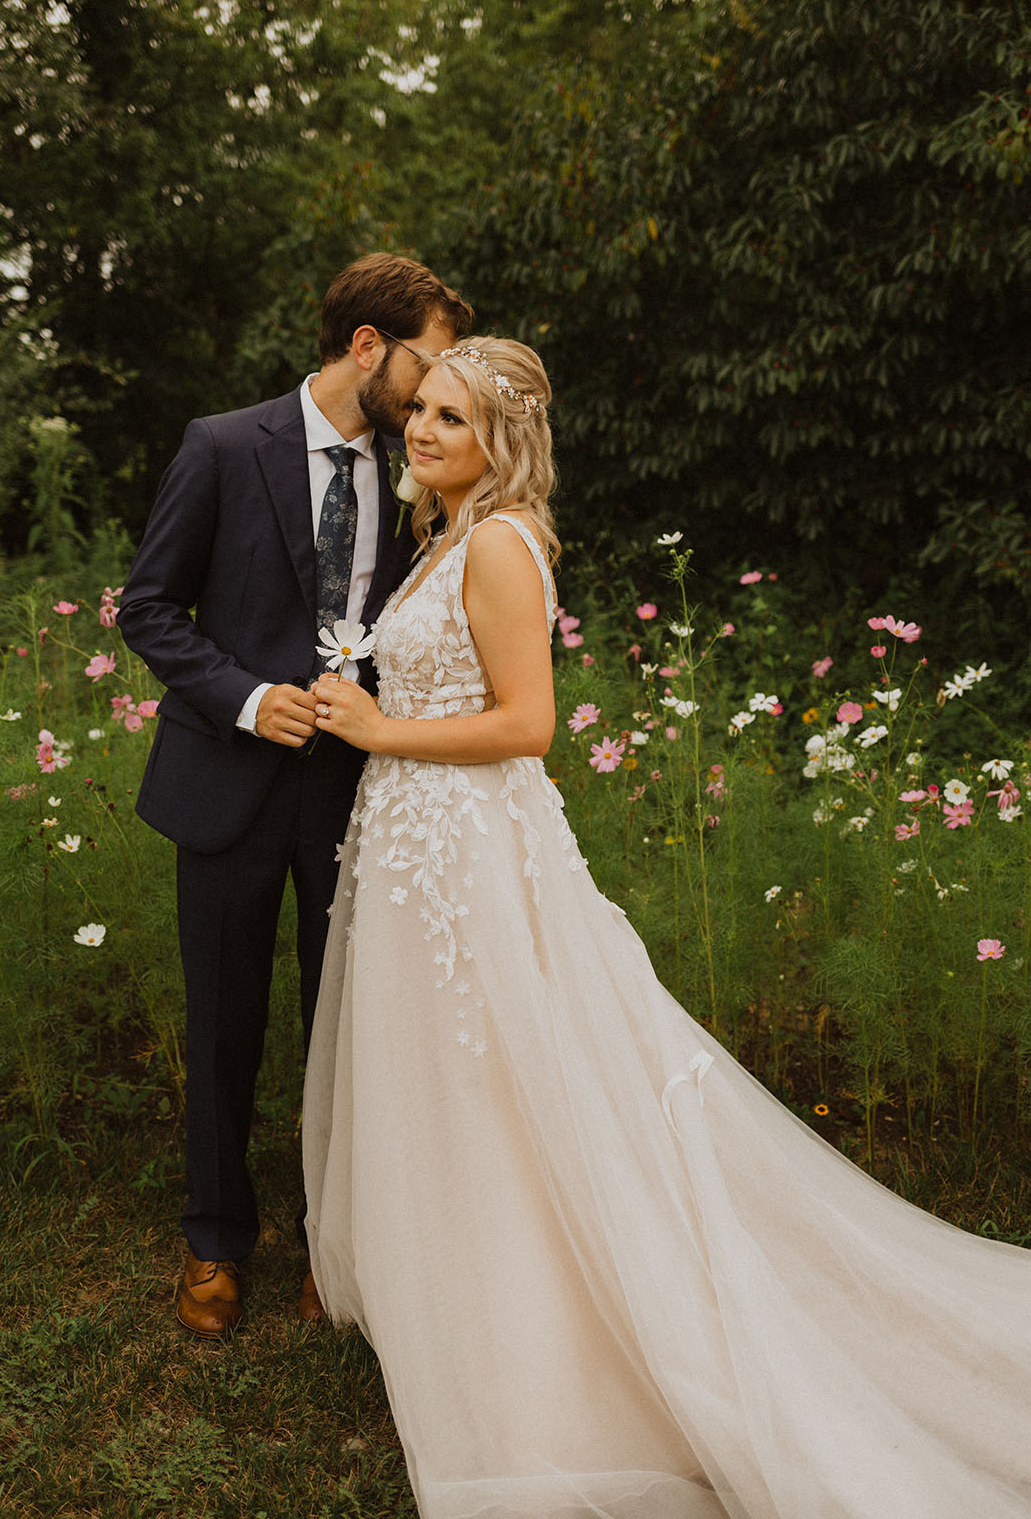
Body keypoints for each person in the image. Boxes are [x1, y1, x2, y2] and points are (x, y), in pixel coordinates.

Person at [302, 336, 1031, 1519]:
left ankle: (535, 1348)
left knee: (504, 1083)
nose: (425, 430)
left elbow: (527, 724)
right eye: (421, 410)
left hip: (468, 850)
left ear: (500, 443)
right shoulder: (448, 532)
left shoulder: (493, 542)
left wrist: (376, 731)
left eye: (451, 418)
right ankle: (446, 1295)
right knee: (455, 1081)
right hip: (423, 848)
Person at [117, 253, 473, 1337]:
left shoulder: (417, 469)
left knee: (349, 1024)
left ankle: (338, 1240)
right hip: (223, 780)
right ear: (368, 346)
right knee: (223, 1023)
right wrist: (243, 697)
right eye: (427, 360)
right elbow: (149, 608)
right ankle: (216, 1238)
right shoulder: (222, 446)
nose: (433, 392)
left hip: (355, 795)